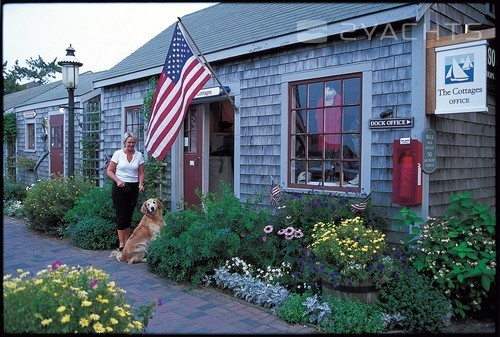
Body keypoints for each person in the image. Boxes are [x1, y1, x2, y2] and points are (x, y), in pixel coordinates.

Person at [107, 131, 145, 251]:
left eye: (133, 142)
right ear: (125, 142)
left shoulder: (139, 155)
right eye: (129, 142)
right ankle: (121, 243)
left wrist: (140, 184)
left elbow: (141, 173)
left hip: (133, 188)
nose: (131, 144)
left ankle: (128, 242)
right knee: (121, 216)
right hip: (120, 187)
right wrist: (118, 180)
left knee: (129, 215)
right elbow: (109, 171)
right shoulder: (118, 154)